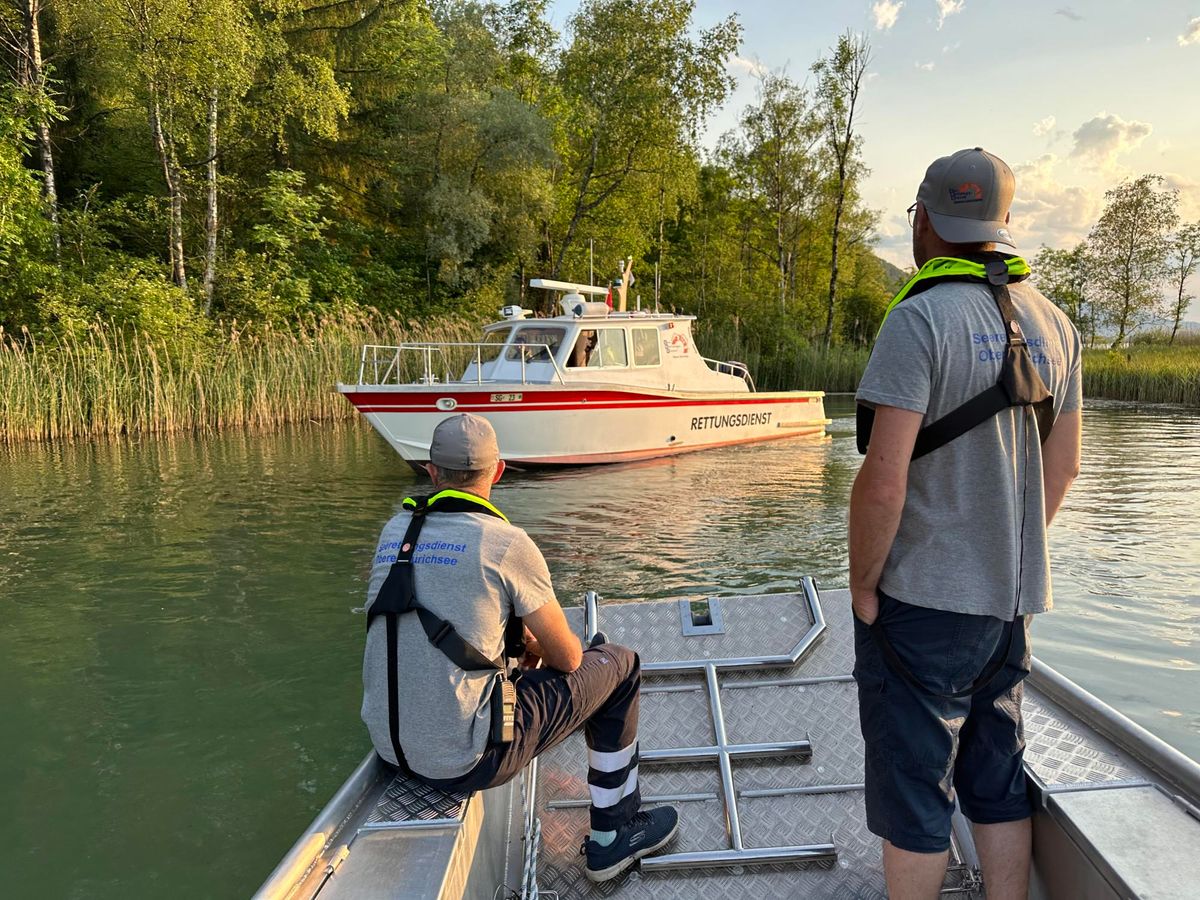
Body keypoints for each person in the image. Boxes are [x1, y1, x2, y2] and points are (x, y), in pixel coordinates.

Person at [849, 148, 1082, 900]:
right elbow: (1065, 466)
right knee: (995, 775)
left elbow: (882, 479)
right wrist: (1006, 555)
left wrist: (861, 587)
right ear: (1004, 223)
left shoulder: (919, 319)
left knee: (916, 793)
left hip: (923, 604)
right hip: (1009, 606)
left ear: (924, 219)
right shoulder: (1057, 324)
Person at [361, 413, 678, 883]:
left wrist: (519, 643)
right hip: (468, 760)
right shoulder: (505, 543)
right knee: (616, 664)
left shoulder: (394, 534)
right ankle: (615, 836)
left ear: (431, 472)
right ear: (498, 471)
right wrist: (558, 652)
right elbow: (568, 660)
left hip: (393, 748)